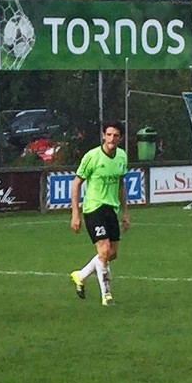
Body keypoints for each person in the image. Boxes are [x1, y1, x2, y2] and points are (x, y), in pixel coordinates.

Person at [69, 121, 130, 306]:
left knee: (112, 254)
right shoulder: (92, 156)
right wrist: (75, 213)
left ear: (121, 138)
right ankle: (107, 296)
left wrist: (125, 212)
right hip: (93, 208)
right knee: (103, 250)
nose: (112, 139)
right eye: (109, 134)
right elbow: (77, 183)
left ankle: (80, 275)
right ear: (104, 135)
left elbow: (121, 184)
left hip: (111, 209)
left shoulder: (121, 157)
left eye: (116, 135)